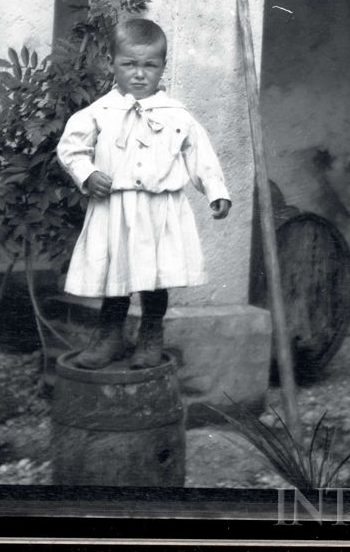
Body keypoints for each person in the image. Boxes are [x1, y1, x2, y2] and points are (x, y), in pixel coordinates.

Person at [56, 18, 232, 369]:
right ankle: (110, 336)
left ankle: (151, 336)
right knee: (116, 279)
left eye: (149, 65)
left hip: (159, 209)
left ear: (162, 68)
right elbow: (70, 149)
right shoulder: (99, 113)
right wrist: (88, 175)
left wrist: (215, 190)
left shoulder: (176, 114)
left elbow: (200, 154)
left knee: (155, 280)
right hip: (116, 208)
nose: (139, 74)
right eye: (129, 64)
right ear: (111, 64)